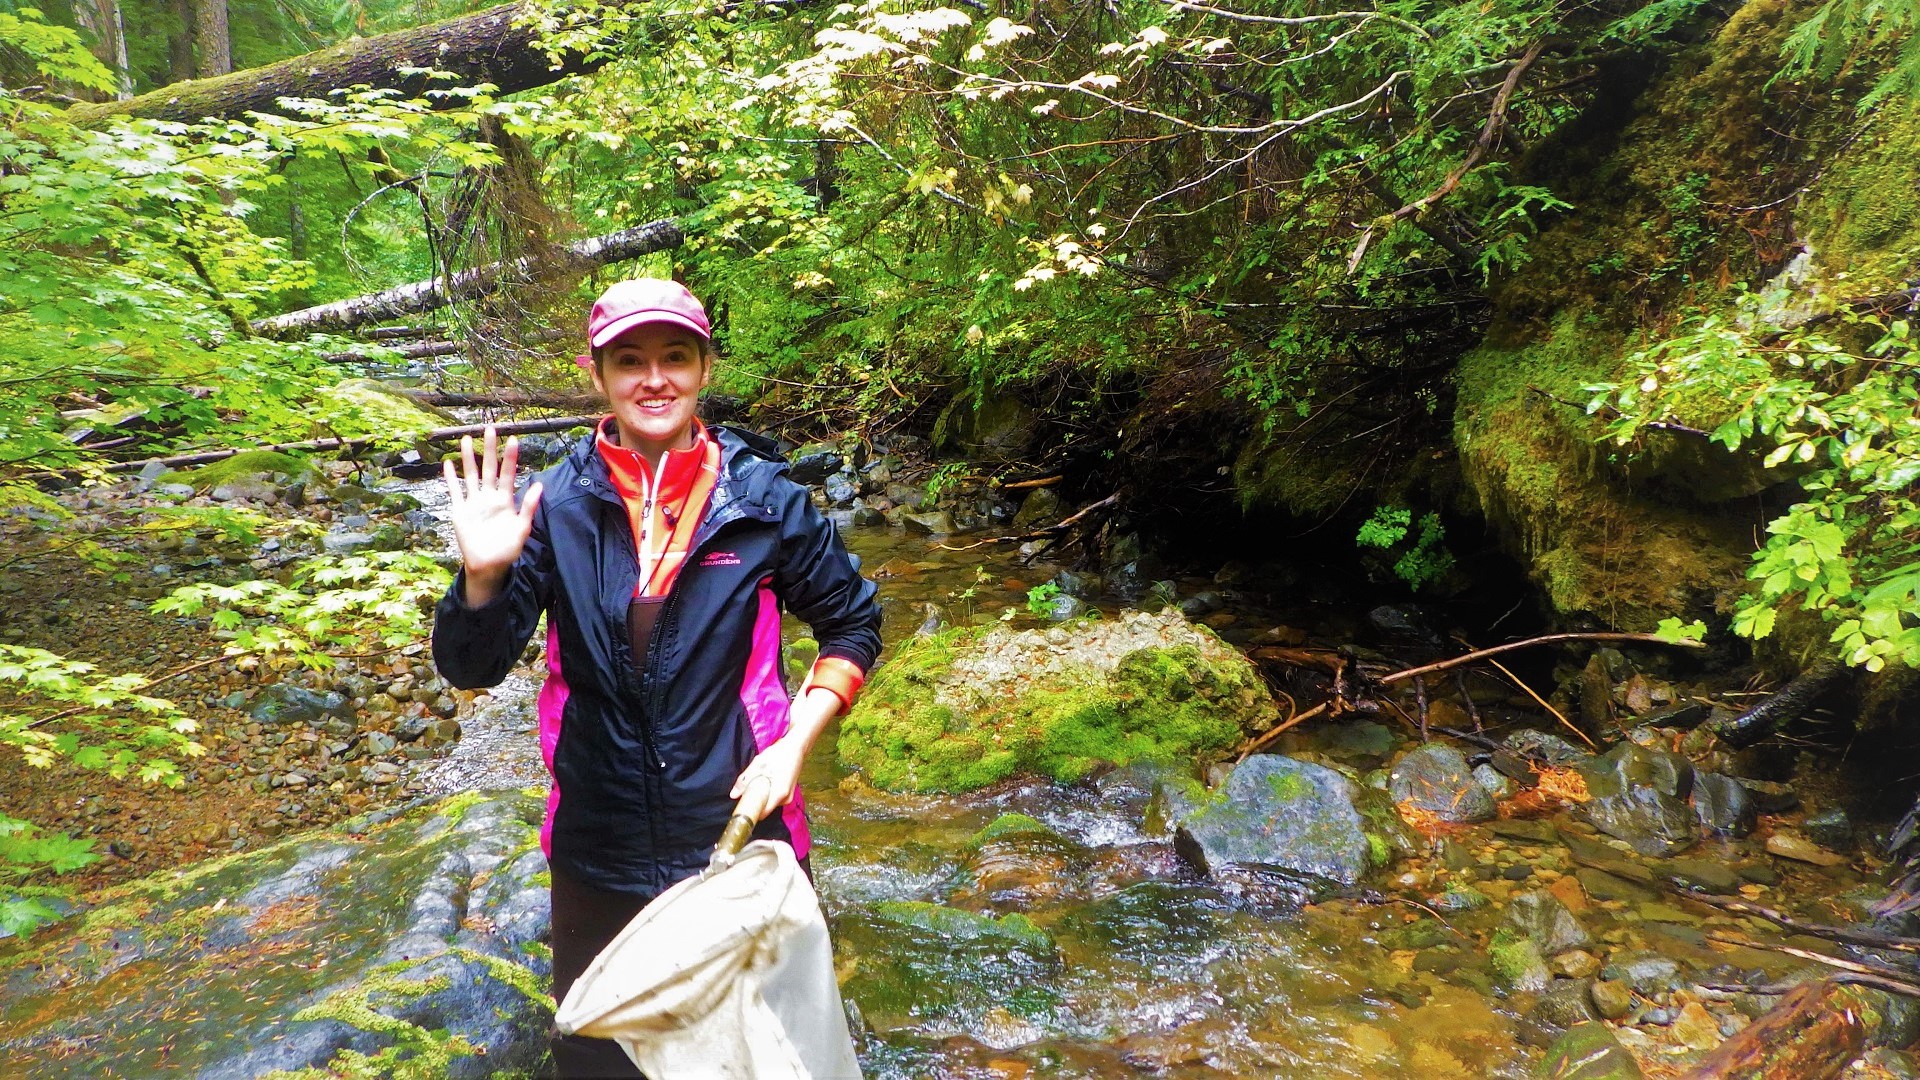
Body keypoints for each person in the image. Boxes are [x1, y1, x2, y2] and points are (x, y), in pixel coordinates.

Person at [430, 277, 882, 1079]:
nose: (654, 378)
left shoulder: (765, 499)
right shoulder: (554, 504)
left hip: (746, 839)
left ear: (705, 367)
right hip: (597, 849)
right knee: (603, 1064)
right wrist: (481, 579)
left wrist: (794, 749)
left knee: (772, 1058)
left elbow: (852, 623)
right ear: (597, 374)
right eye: (630, 360)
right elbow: (472, 665)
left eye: (676, 356)